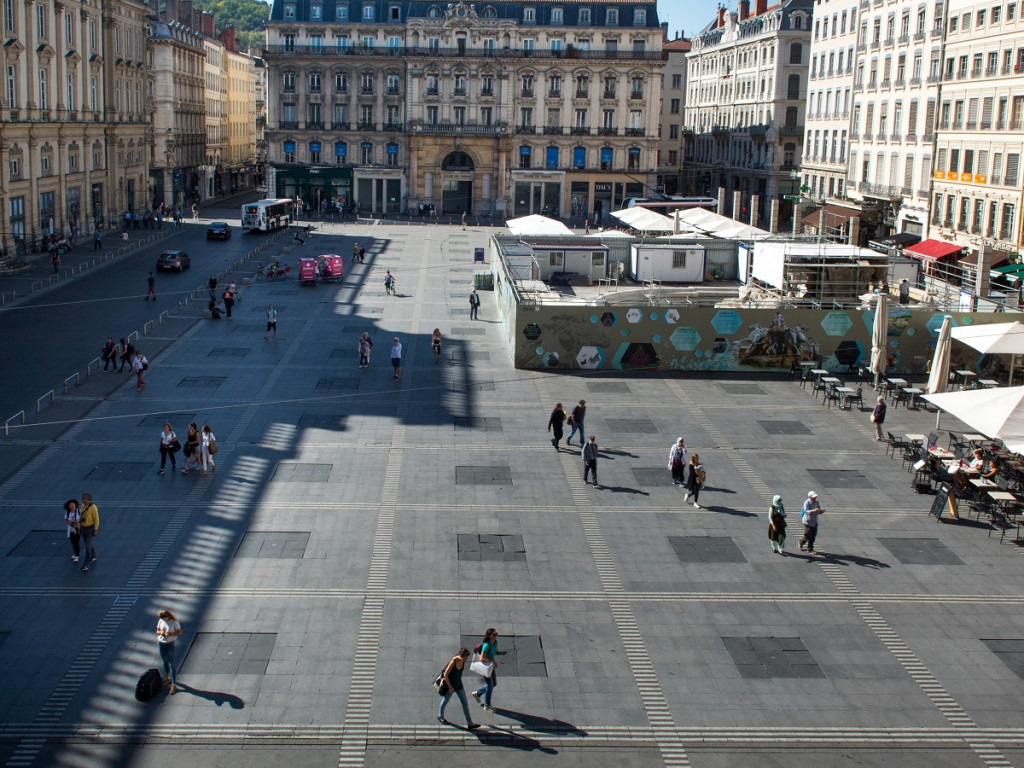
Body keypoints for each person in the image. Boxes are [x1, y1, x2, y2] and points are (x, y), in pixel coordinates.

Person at [437, 648, 480, 729]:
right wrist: (450, 687)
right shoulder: (453, 662)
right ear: (462, 656)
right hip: (451, 686)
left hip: (459, 685)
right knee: (445, 700)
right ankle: (440, 716)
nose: (466, 659)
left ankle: (470, 723)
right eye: (465, 657)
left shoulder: (462, 662)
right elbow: (446, 674)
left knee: (465, 703)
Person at [471, 628, 499, 712]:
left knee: (493, 684)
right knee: (490, 686)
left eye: (496, 634)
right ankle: (487, 705)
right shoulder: (486, 645)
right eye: (494, 635)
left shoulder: (495, 642)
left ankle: (477, 693)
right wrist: (493, 661)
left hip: (491, 666)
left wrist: (500, 653)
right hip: (486, 666)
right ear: (489, 636)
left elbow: (494, 651)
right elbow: (482, 658)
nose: (496, 636)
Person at [156, 609, 183, 695]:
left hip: (170, 644)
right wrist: (163, 633)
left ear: (167, 617)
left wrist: (171, 634)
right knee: (164, 661)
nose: (163, 619)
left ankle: (173, 684)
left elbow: (179, 632)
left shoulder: (174, 622)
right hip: (161, 643)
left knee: (172, 663)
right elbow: (157, 631)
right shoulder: (161, 620)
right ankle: (168, 677)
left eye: (164, 618)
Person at [79, 493, 99, 571]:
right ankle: (93, 555)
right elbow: (81, 517)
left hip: (90, 528)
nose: (82, 500)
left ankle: (85, 564)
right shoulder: (82, 506)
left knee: (87, 547)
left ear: (88, 500)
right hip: (84, 528)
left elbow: (96, 519)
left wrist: (95, 529)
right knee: (88, 543)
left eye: (83, 499)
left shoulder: (93, 507)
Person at [63, 499, 81, 564]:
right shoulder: (67, 513)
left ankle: (77, 555)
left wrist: (77, 524)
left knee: (77, 541)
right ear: (68, 506)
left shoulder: (79, 511)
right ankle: (76, 553)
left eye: (73, 504)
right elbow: (65, 520)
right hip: (71, 529)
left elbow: (83, 517)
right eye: (71, 505)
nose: (72, 506)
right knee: (73, 542)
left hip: (78, 528)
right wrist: (70, 523)